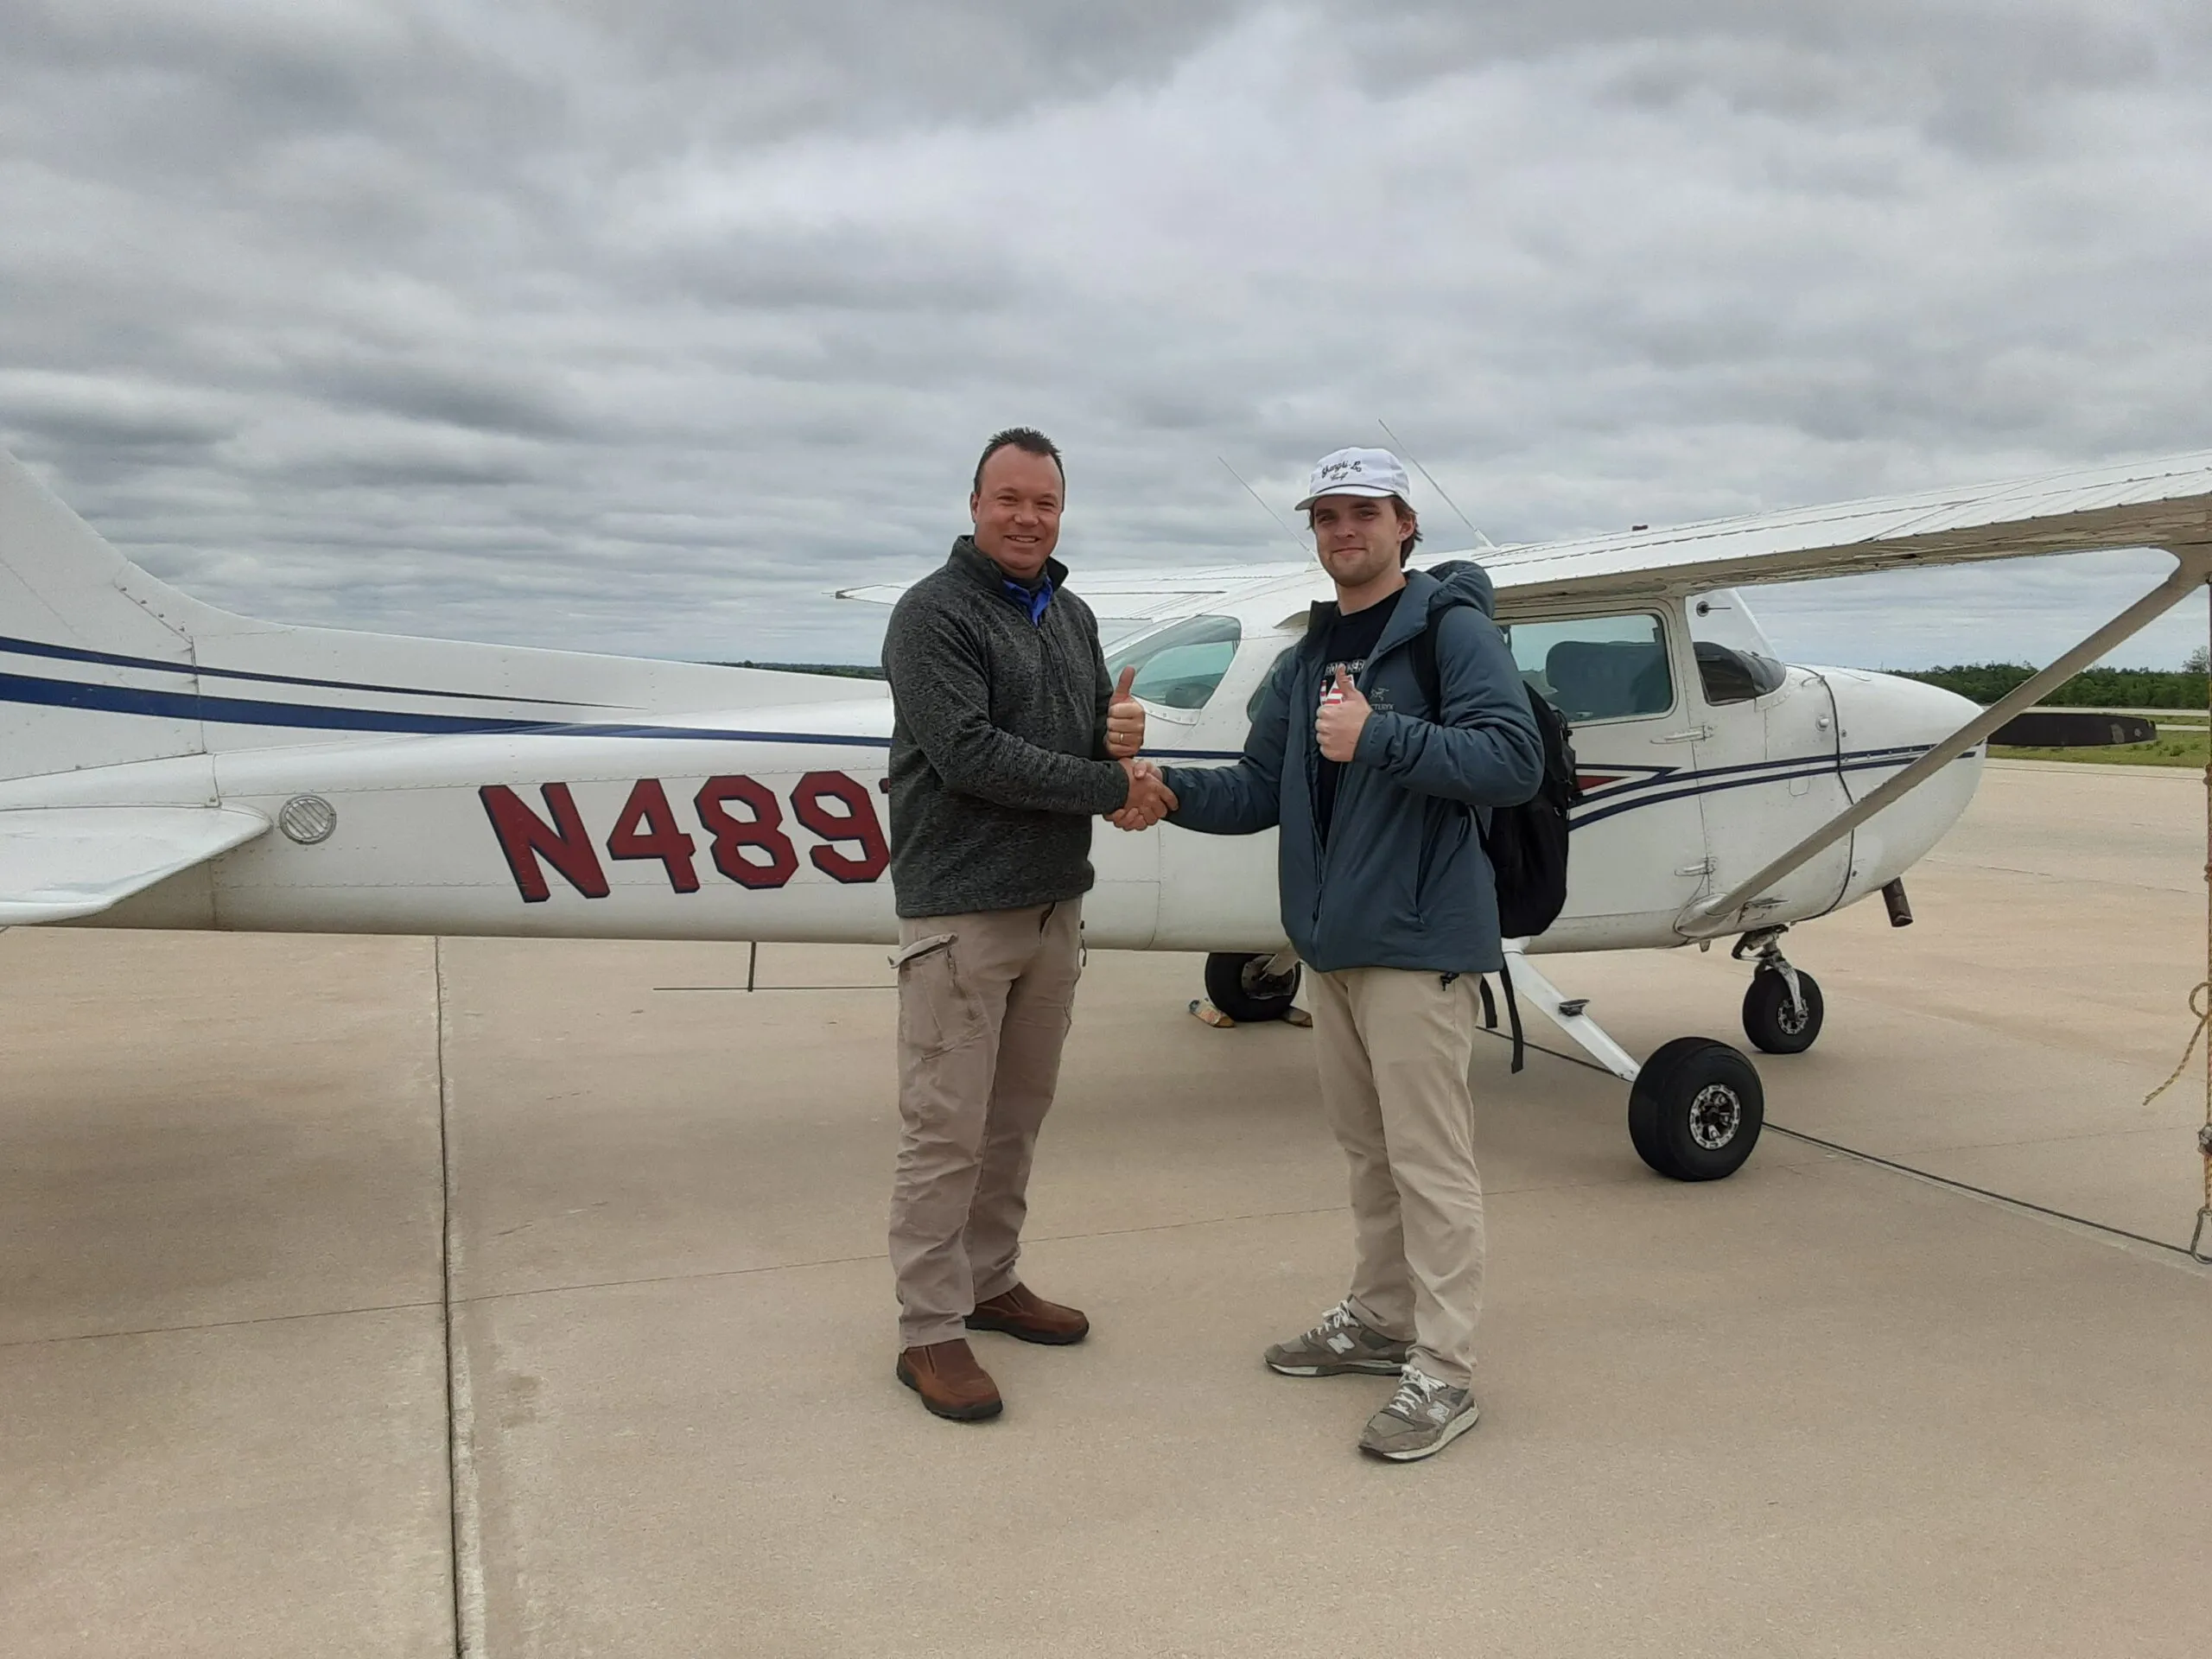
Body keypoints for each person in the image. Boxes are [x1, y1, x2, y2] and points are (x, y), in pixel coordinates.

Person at [1134, 447, 1541, 1461]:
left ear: (1406, 524)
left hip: (1415, 944)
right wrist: (1162, 791)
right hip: (1330, 944)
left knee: (1431, 1166)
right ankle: (1379, 1318)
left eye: (1361, 512)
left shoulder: (1453, 631)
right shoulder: (1308, 657)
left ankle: (1444, 1374)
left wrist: (1384, 736)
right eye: (1323, 516)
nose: (1340, 531)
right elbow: (1258, 788)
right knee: (1369, 1156)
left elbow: (1511, 759)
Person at [880, 426, 1177, 1422]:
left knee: (1015, 1118)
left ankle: (990, 1279)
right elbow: (969, 754)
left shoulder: (1073, 611)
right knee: (944, 1130)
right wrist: (1112, 784)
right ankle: (929, 1330)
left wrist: (1118, 737)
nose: (1027, 517)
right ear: (973, 505)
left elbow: (1086, 722)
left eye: (1044, 503)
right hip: (963, 911)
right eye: (1009, 499)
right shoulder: (932, 615)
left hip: (1054, 905)